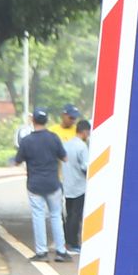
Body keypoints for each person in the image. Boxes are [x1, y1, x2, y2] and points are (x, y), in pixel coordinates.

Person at [16, 111, 68, 261]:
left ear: (33, 120)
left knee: (38, 216)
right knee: (56, 216)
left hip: (34, 185)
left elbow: (18, 161)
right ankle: (61, 252)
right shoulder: (54, 138)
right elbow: (64, 158)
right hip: (53, 183)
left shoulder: (26, 141)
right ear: (46, 120)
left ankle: (42, 252)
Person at [59, 110, 91, 257]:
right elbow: (85, 166)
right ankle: (74, 243)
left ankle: (66, 241)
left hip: (67, 185)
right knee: (76, 216)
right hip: (79, 186)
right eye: (88, 133)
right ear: (84, 132)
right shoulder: (82, 147)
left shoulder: (66, 145)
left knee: (69, 214)